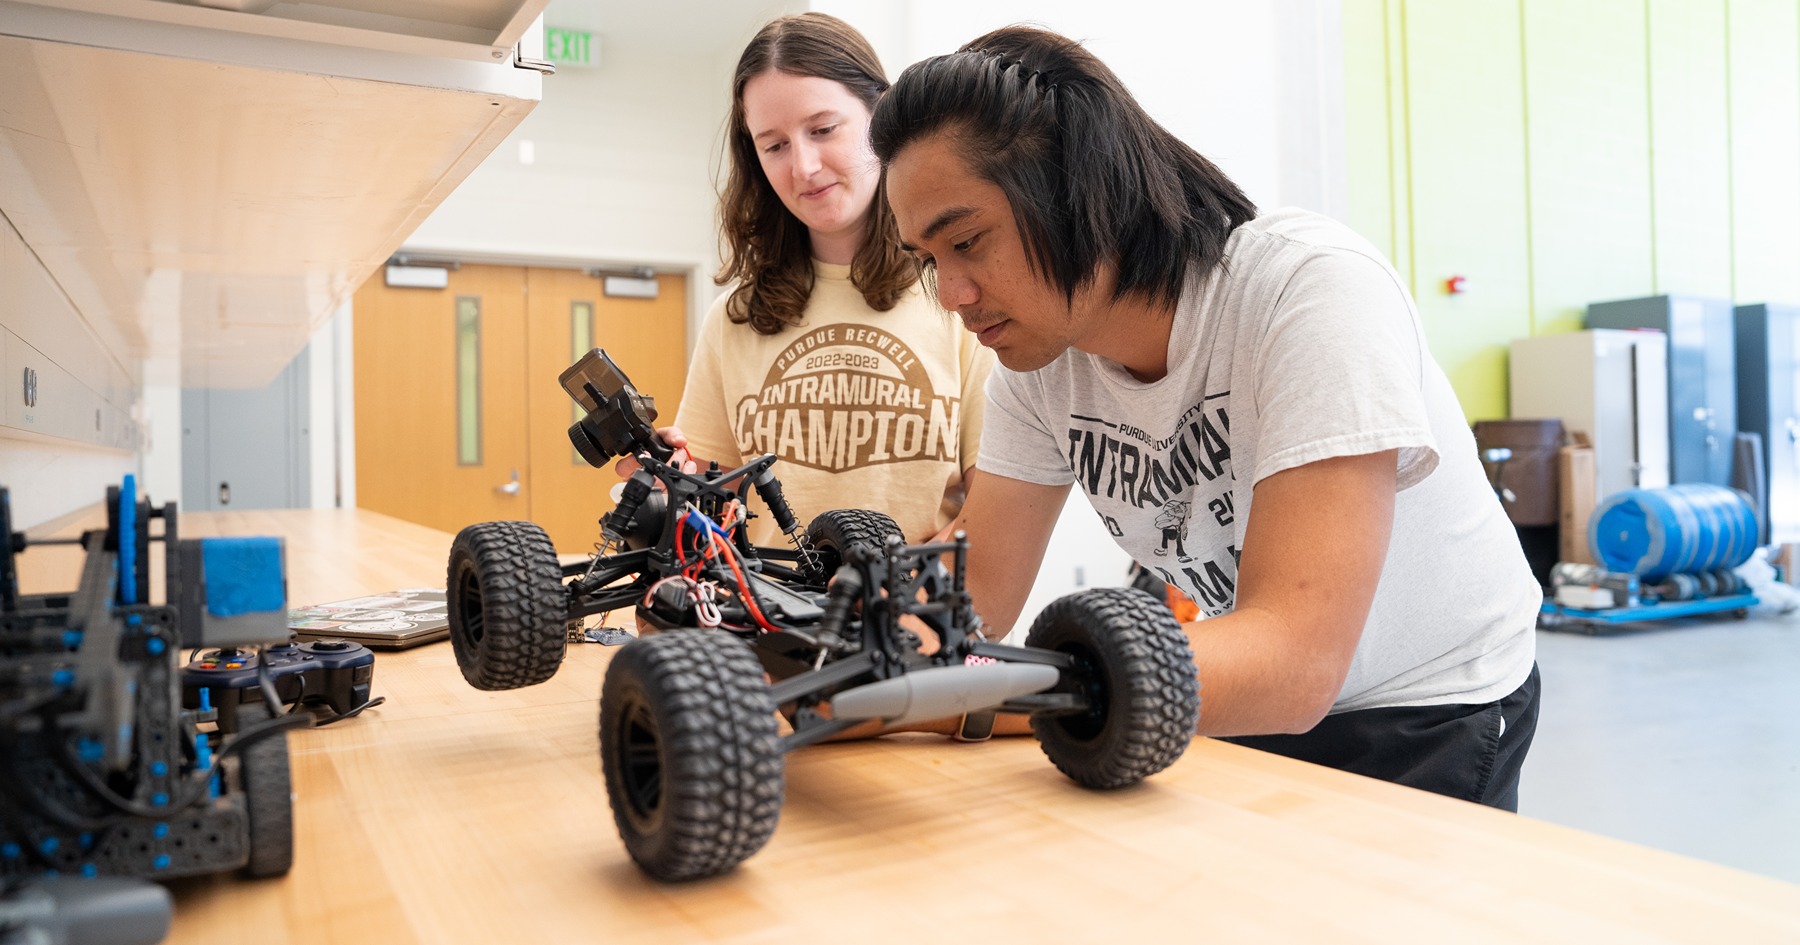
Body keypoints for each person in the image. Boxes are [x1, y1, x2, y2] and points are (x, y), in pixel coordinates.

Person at [870, 25, 1542, 808]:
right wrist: (851, 667)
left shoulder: (1310, 292)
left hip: (1430, 707)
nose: (951, 294)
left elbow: (1294, 659)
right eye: (929, 260)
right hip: (1251, 689)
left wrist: (986, 692)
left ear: (1080, 186)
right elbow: (973, 592)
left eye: (967, 240)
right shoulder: (1037, 366)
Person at [642, 12, 992, 554]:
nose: (803, 166)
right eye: (774, 145)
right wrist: (663, 486)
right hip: (769, 629)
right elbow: (710, 510)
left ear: (882, 116)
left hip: (920, 626)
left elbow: (991, 518)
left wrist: (894, 614)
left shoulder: (961, 297)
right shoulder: (734, 319)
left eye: (823, 130)